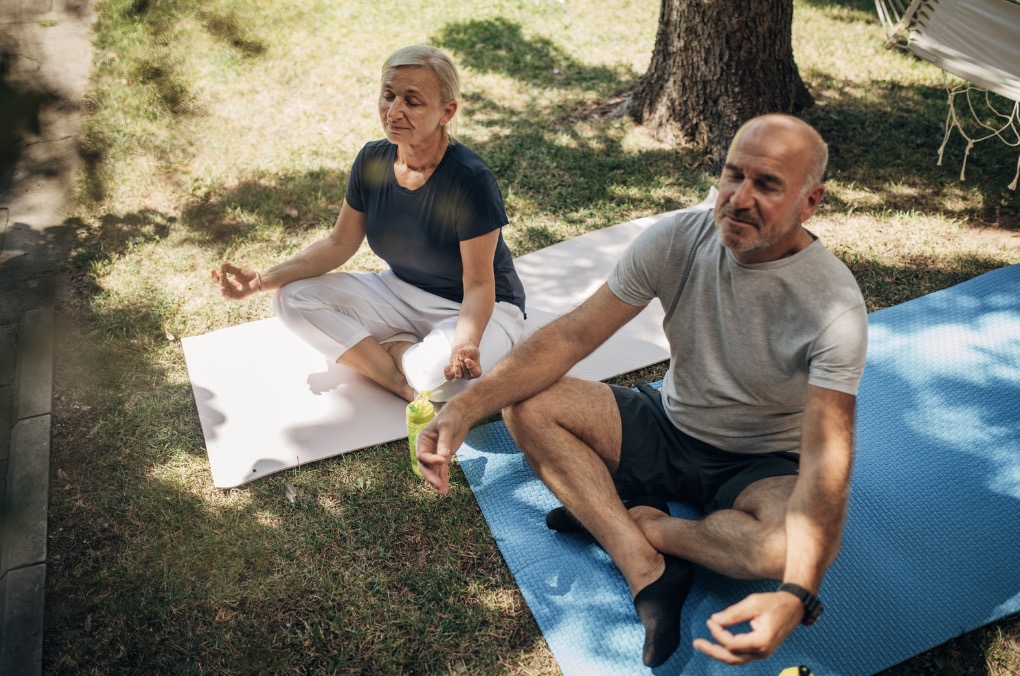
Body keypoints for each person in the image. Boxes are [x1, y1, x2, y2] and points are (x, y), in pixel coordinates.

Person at [416, 115, 868, 667]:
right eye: (733, 176)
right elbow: (571, 336)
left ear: (810, 201)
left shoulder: (833, 307)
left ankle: (648, 523)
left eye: (767, 185)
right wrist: (462, 408)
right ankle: (645, 567)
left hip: (761, 462)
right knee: (527, 402)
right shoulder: (677, 239)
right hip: (665, 422)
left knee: (780, 549)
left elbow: (827, 463)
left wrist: (796, 594)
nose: (739, 198)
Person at [211, 45, 526, 403]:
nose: (394, 111)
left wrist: (466, 343)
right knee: (291, 298)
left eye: (412, 101)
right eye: (388, 95)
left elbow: (481, 283)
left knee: (443, 381)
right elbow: (339, 244)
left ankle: (399, 355)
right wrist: (261, 281)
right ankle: (397, 375)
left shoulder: (470, 180)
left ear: (446, 111)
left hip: (479, 307)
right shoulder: (372, 160)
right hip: (399, 291)